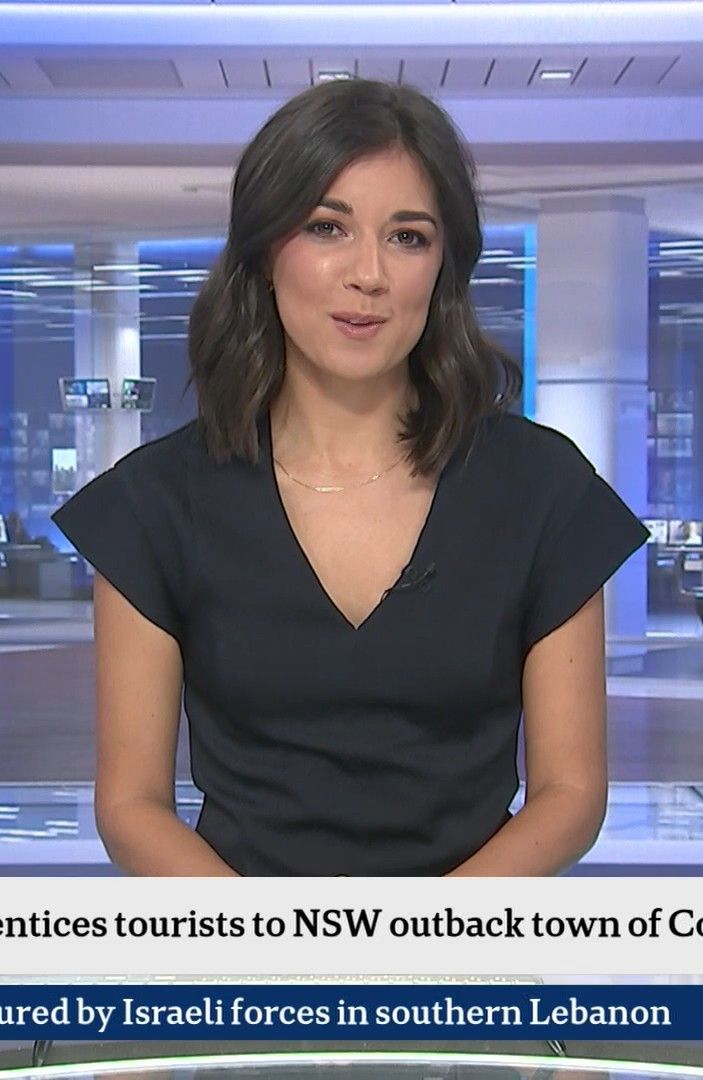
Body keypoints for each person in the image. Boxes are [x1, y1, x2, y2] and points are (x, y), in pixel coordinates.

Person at [52, 78, 645, 877]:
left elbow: (571, 794)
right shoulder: (154, 504)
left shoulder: (540, 489)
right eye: (327, 227)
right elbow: (131, 806)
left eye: (408, 237)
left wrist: (421, 937)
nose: (369, 274)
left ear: (443, 266)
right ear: (266, 252)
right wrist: (278, 943)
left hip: (468, 941)